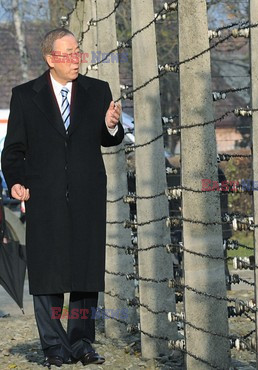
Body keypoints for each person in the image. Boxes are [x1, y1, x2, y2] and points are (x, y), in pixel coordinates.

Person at [1, 28, 124, 367]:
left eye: (78, 51)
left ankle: (82, 342)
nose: (76, 59)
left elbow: (109, 139)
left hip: (88, 195)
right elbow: (13, 151)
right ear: (50, 58)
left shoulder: (97, 91)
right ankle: (54, 346)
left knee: (86, 270)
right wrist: (16, 182)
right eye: (68, 53)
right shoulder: (26, 95)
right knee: (48, 270)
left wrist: (111, 124)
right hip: (45, 196)